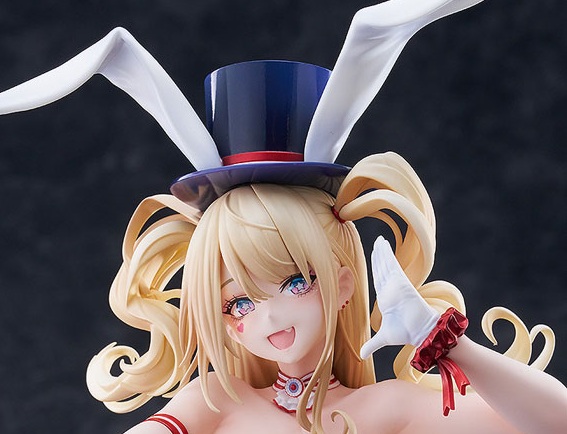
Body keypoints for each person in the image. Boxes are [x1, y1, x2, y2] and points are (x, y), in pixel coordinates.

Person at [1, 0, 566, 433]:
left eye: (295, 281)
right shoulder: (215, 402)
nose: (268, 315)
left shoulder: (383, 409)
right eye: (238, 303)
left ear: (343, 283)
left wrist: (439, 339)